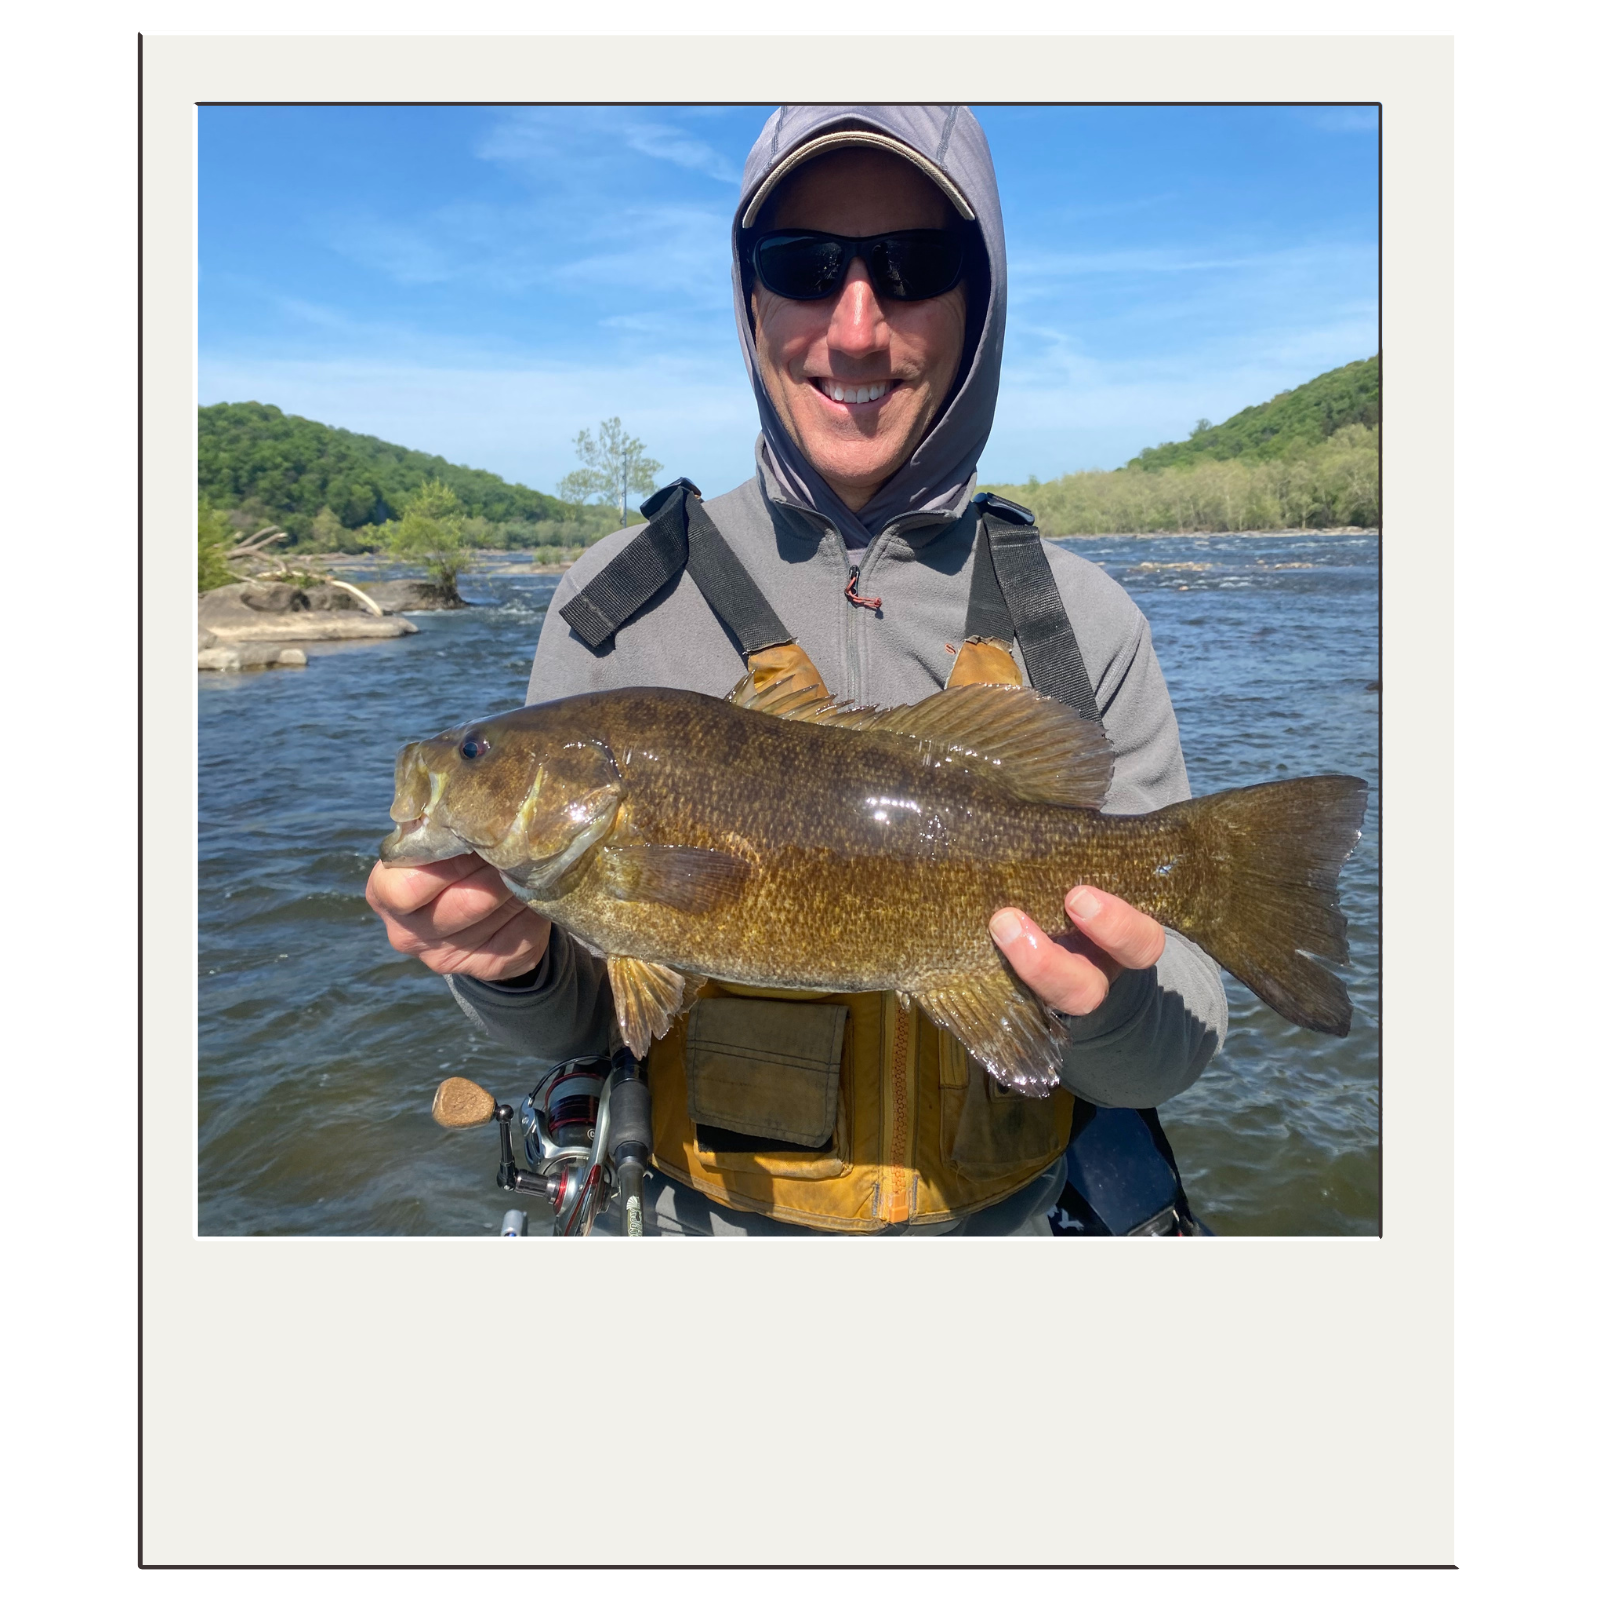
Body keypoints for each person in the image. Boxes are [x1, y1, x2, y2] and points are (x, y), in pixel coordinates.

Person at [367, 105, 1226, 1235]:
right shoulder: (616, 606)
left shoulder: (1081, 621)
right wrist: (507, 963)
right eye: (804, 266)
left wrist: (1110, 1004)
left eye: (912, 265)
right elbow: (587, 1022)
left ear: (980, 300)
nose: (855, 328)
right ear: (749, 297)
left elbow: (1171, 1047)